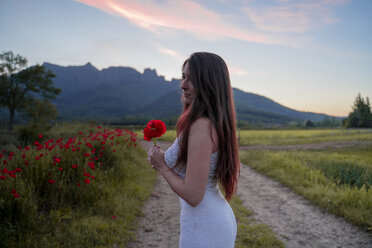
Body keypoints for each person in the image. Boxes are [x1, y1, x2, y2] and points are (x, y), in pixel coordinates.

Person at [147, 52, 240, 248]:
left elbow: (193, 195)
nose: (183, 85)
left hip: (204, 226)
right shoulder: (210, 123)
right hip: (209, 219)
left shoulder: (202, 125)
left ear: (208, 83)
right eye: (184, 76)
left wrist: (161, 165)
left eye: (192, 79)